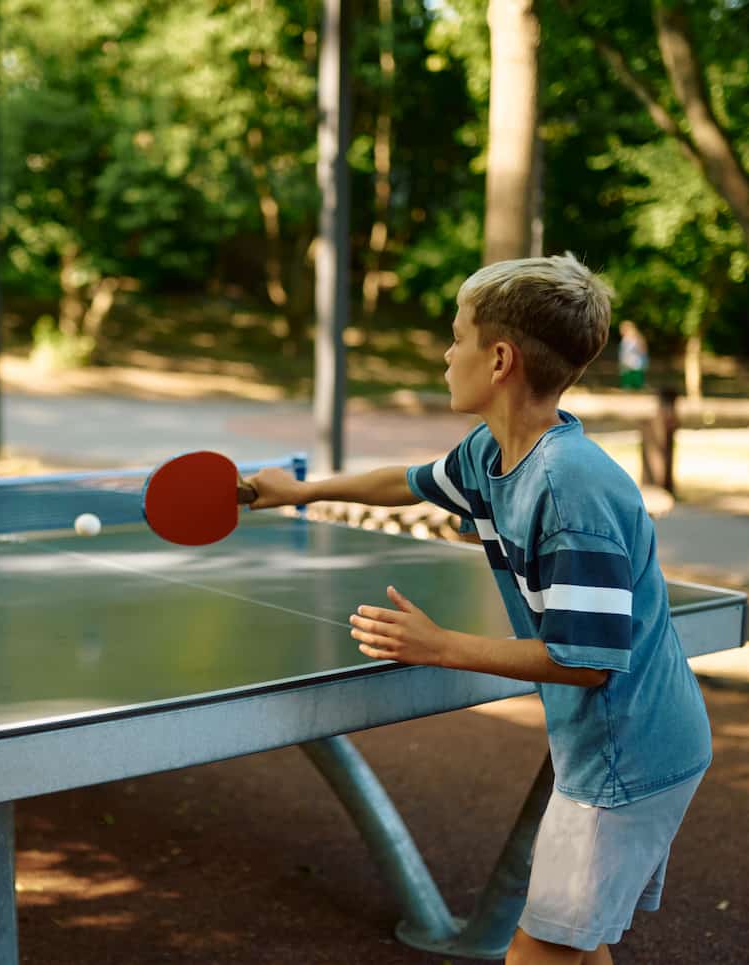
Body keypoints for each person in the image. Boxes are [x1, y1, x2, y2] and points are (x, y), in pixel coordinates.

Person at [245, 254, 711, 965]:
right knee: (577, 946)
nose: (445, 352)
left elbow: (583, 660)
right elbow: (405, 482)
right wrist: (301, 491)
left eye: (456, 336)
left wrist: (439, 644)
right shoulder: (493, 453)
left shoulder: (567, 489)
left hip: (627, 753)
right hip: (615, 745)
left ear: (499, 359)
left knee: (538, 949)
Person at [616, 320, 648, 390]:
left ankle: (637, 388)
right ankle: (628, 388)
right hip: (626, 363)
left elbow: (643, 350)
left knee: (636, 379)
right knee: (627, 379)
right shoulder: (625, 339)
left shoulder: (636, 339)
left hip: (635, 363)